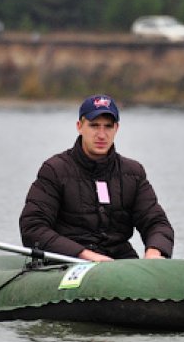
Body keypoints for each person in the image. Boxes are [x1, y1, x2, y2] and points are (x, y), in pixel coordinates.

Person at [19, 94, 174, 262]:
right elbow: (33, 227)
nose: (102, 135)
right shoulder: (54, 170)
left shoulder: (133, 172)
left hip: (120, 263)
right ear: (79, 126)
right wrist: (85, 255)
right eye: (94, 126)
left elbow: (157, 223)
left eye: (108, 126)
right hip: (67, 263)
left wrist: (154, 252)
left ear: (117, 128)